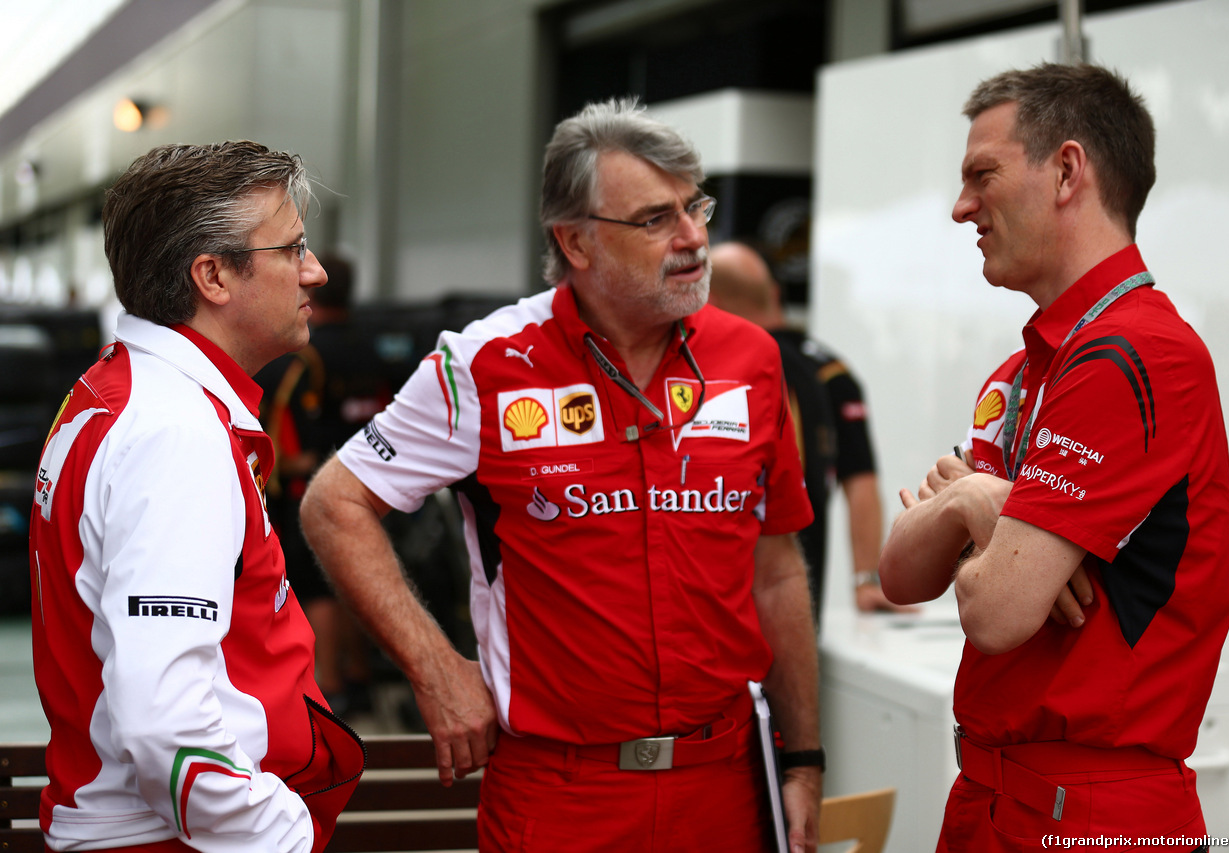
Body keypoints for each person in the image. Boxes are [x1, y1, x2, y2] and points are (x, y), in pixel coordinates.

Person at [300, 98, 822, 852]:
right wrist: (437, 666)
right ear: (575, 242)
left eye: (695, 206)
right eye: (654, 219)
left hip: (725, 782)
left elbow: (775, 573)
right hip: (560, 792)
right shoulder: (484, 361)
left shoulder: (754, 357)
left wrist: (803, 758)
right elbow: (334, 502)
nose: (693, 238)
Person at [878, 64, 1229, 851]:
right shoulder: (1027, 369)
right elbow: (900, 572)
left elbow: (995, 610)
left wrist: (974, 502)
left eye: (982, 175)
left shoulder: (1135, 352)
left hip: (1093, 812)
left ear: (1067, 170)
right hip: (997, 798)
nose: (961, 206)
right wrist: (976, 502)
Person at [28, 141, 365, 852]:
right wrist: (282, 837)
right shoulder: (173, 433)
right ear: (211, 274)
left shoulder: (119, 393)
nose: (317, 271)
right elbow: (165, 725)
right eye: (293, 248)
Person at [708, 241, 914, 618]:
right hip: (802, 598)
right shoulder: (831, 369)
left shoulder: (716, 368)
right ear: (774, 293)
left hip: (728, 600)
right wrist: (865, 581)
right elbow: (862, 482)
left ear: (712, 301)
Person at [259, 253, 386, 715]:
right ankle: (360, 676)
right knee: (360, 578)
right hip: (377, 485)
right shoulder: (376, 350)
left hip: (313, 490)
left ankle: (327, 689)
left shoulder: (300, 356)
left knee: (317, 589)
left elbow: (281, 433)